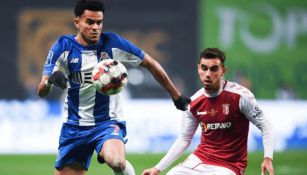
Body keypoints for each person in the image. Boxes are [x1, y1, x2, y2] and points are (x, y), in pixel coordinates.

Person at [36, 0, 190, 175]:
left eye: (99, 22)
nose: (95, 27)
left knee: (117, 162)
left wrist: (176, 96)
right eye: (90, 22)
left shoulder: (112, 43)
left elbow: (151, 63)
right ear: (77, 22)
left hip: (106, 123)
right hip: (74, 127)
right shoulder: (63, 46)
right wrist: (50, 81)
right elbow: (41, 90)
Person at [142, 48, 274, 175]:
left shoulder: (240, 96)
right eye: (204, 68)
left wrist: (268, 157)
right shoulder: (194, 102)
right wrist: (158, 168)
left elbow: (265, 125)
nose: (208, 74)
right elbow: (184, 138)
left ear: (223, 70)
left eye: (214, 69)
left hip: (229, 165)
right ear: (199, 68)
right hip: (200, 159)